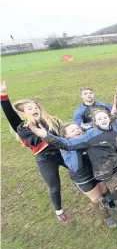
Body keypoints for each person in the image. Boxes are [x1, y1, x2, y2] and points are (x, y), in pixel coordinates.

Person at [33, 109, 117, 200]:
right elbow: (67, 144)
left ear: (109, 118)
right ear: (95, 122)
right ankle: (109, 199)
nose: (103, 120)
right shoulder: (89, 136)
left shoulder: (116, 131)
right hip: (106, 171)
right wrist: (46, 136)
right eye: (99, 119)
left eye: (105, 117)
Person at [1, 81, 70, 223]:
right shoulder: (23, 127)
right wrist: (3, 96)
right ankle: (59, 211)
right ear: (23, 113)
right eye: (29, 108)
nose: (34, 109)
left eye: (35, 106)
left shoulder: (51, 120)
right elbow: (11, 115)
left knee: (81, 168)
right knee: (55, 187)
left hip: (61, 153)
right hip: (45, 159)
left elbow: (63, 134)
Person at [46, 122, 117, 228]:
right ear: (66, 137)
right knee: (97, 199)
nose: (77, 130)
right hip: (83, 178)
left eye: (77, 128)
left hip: (96, 171)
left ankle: (111, 204)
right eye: (73, 130)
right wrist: (75, 146)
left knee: (104, 190)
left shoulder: (86, 138)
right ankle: (107, 217)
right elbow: (76, 167)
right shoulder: (65, 149)